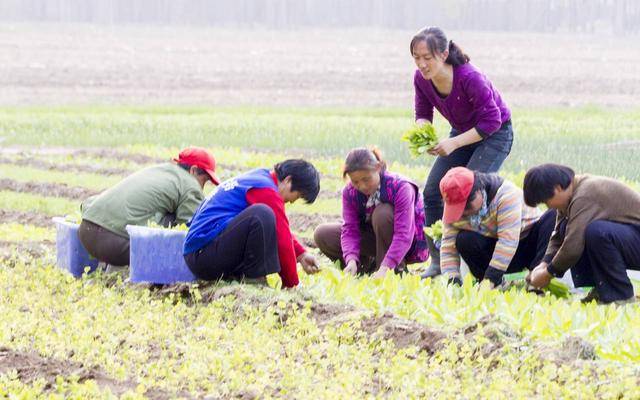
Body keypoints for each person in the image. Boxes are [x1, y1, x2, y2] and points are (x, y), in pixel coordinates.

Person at [410, 26, 514, 278]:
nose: (422, 64)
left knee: (467, 193)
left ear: (444, 54)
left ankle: (481, 264)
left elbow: (492, 121)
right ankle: (437, 262)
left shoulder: (469, 77)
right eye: (416, 58)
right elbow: (423, 114)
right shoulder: (420, 79)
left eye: (427, 58)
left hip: (495, 135)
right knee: (434, 191)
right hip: (462, 133)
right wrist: (426, 137)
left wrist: (453, 144)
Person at [183, 159, 321, 288]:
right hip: (202, 256)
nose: (292, 202)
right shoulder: (266, 190)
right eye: (297, 196)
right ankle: (254, 278)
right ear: (288, 180)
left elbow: (279, 229)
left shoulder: (261, 177)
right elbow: (282, 239)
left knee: (264, 216)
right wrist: (292, 284)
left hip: (200, 253)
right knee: (261, 214)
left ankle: (247, 276)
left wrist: (301, 254)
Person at [78, 147, 219, 267]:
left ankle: (112, 266)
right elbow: (191, 228)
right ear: (193, 170)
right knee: (176, 226)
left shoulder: (160, 170)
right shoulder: (190, 185)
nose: (202, 188)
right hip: (115, 244)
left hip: (86, 232)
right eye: (204, 181)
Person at [523, 164, 640, 304]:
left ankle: (621, 298)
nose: (549, 207)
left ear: (558, 188)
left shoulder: (585, 194)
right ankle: (601, 290)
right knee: (570, 228)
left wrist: (548, 274)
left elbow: (572, 247)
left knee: (596, 232)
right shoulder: (571, 194)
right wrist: (543, 263)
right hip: (630, 237)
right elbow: (558, 236)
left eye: (546, 202)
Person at [314, 148, 428, 279]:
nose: (362, 186)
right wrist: (351, 259)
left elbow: (404, 234)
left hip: (407, 243)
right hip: (374, 238)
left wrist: (386, 266)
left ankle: (393, 271)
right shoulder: (350, 192)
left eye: (366, 179)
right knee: (322, 234)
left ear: (378, 168)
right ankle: (363, 268)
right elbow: (350, 229)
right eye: (355, 182)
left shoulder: (401, 187)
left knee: (382, 213)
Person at [439, 167, 555, 287]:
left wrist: (490, 280)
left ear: (479, 191)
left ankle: (536, 278)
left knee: (552, 216)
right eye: (458, 209)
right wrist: (452, 282)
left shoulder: (505, 195)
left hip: (526, 245)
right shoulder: (453, 212)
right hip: (496, 250)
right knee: (464, 239)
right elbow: (448, 246)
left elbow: (508, 241)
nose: (464, 213)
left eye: (467, 207)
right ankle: (488, 280)